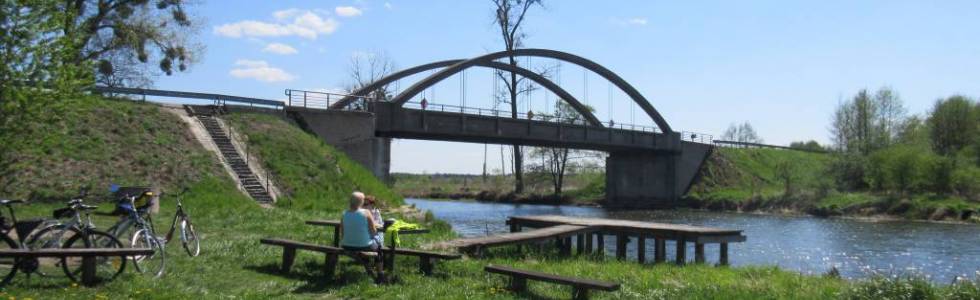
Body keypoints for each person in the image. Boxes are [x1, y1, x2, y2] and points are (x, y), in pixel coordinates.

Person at [338, 191, 384, 281]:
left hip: (346, 245)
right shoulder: (366, 213)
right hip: (364, 245)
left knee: (364, 249)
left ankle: (369, 271)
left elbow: (342, 233)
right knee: (379, 249)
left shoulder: (344, 214)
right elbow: (374, 231)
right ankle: (380, 275)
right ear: (361, 202)